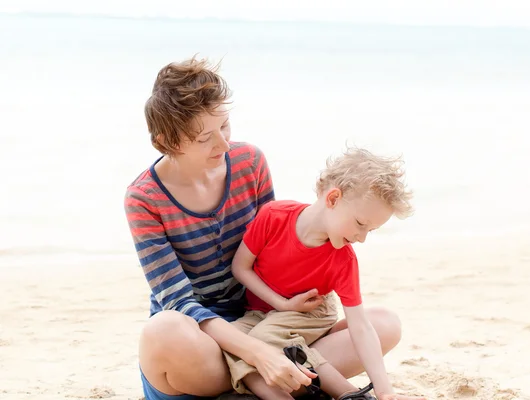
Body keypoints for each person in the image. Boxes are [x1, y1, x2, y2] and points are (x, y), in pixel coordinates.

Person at [124, 56, 406, 400]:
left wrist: (289, 312)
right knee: (164, 329)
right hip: (202, 345)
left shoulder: (249, 162)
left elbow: (271, 251)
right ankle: (260, 378)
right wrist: (259, 353)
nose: (224, 145)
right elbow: (178, 301)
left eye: (225, 127)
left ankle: (256, 385)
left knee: (384, 324)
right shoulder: (144, 199)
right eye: (205, 138)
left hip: (264, 321)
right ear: (167, 140)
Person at [225, 148, 425, 400]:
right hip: (263, 314)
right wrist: (282, 304)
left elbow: (360, 325)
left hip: (311, 312)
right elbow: (240, 267)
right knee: (231, 342)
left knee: (263, 339)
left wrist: (386, 391)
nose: (361, 238)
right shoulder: (273, 217)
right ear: (332, 199)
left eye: (370, 231)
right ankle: (340, 393)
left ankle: (350, 394)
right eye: (360, 224)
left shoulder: (343, 258)